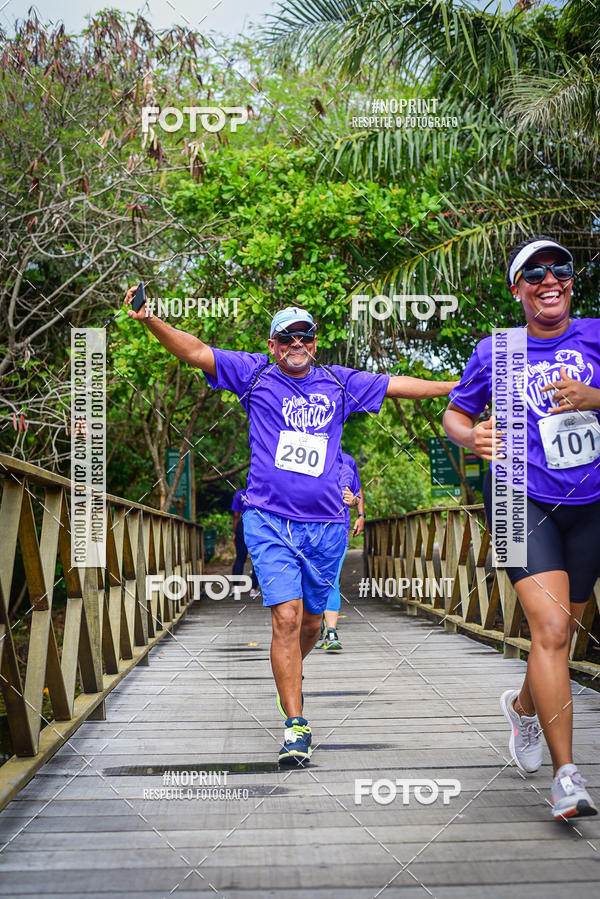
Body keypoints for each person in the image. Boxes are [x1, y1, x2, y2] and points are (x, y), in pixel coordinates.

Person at [125, 296, 456, 765]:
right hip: (268, 520)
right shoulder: (255, 373)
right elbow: (196, 351)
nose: (296, 343)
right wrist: (150, 319)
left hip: (327, 527)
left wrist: (457, 385)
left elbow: (400, 386)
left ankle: (289, 672)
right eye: (287, 337)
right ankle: (295, 725)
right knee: (286, 618)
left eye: (304, 336)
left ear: (314, 343)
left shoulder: (339, 382)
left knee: (314, 625)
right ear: (273, 345)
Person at [443, 236, 600, 819]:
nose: (549, 279)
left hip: (591, 501)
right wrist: (471, 435)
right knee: (553, 628)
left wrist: (595, 396)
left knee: (564, 630)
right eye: (533, 274)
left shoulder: (596, 335)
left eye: (559, 269)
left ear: (571, 280)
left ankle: (526, 710)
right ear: (517, 290)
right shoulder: (497, 351)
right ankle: (567, 777)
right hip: (516, 497)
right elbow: (455, 414)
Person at [316, 451, 364, 651]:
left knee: (331, 579)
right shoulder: (310, 454)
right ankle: (315, 626)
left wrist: (359, 511)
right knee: (308, 581)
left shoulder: (348, 461)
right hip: (309, 529)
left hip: (338, 529)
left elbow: (358, 493)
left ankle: (331, 632)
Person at [231, 489, 260, 598]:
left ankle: (235, 587)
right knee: (256, 559)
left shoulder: (240, 494)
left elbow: (236, 515)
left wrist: (234, 532)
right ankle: (253, 589)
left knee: (240, 558)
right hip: (257, 526)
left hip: (242, 526)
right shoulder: (261, 492)